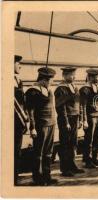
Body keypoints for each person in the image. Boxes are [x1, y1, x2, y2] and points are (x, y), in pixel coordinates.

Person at [25, 67, 58, 185]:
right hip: (41, 126)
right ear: (43, 80)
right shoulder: (32, 92)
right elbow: (31, 112)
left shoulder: (49, 90)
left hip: (51, 124)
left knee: (48, 151)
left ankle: (47, 176)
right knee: (38, 152)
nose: (51, 83)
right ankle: (37, 178)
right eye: (50, 80)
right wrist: (32, 128)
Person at [54, 67, 85, 177]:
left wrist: (80, 118)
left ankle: (72, 165)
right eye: (71, 75)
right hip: (66, 119)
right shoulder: (61, 89)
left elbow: (79, 103)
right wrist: (66, 121)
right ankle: (65, 168)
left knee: (73, 143)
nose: (74, 77)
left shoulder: (74, 87)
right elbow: (61, 107)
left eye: (74, 74)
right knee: (65, 144)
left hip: (75, 118)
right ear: (64, 75)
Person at [80, 68, 98, 168]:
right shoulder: (85, 89)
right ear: (90, 77)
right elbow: (83, 106)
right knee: (89, 139)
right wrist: (84, 120)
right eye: (95, 76)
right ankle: (88, 160)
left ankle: (94, 158)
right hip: (90, 117)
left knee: (97, 139)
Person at [14, 55, 28, 185]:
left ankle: (14, 177)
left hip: (18, 121)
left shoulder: (18, 80)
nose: (20, 65)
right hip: (10, 120)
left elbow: (23, 102)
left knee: (16, 149)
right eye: (17, 63)